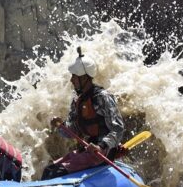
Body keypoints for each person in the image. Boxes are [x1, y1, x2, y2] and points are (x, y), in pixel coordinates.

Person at [41, 49, 124, 179]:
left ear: (84, 78)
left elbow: (118, 129)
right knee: (48, 170)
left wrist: (101, 145)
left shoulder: (102, 97)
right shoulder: (77, 99)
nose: (72, 80)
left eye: (74, 76)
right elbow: (71, 130)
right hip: (87, 151)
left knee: (55, 174)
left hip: (102, 152)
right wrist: (61, 126)